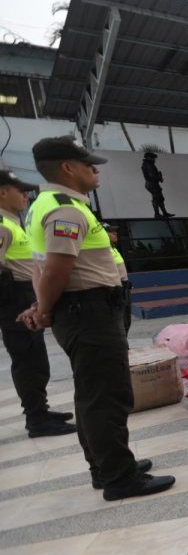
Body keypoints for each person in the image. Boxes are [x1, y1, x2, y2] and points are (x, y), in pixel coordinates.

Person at [25, 136, 173, 500]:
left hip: (83, 311)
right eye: (88, 164)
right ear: (67, 168)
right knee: (107, 396)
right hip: (87, 311)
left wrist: (43, 306)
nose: (95, 170)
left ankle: (107, 467)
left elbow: (45, 267)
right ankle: (119, 478)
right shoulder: (65, 209)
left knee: (93, 394)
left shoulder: (48, 204)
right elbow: (57, 270)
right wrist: (43, 309)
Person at [0, 168, 76, 438]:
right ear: (2, 192)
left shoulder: (13, 221)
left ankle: (40, 410)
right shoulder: (2, 224)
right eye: (19, 190)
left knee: (37, 359)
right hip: (13, 299)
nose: (25, 195)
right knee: (27, 361)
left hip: (23, 295)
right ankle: (36, 419)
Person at [101, 223, 131, 335]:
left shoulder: (113, 248)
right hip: (115, 288)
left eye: (115, 232)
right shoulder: (103, 249)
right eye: (111, 232)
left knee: (126, 321)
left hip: (124, 287)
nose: (115, 234)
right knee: (120, 322)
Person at [139, 151, 173, 219]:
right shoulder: (149, 165)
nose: (154, 159)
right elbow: (152, 175)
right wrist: (159, 177)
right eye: (153, 158)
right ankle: (157, 214)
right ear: (149, 158)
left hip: (151, 184)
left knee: (159, 198)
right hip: (152, 184)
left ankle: (163, 213)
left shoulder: (147, 164)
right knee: (157, 199)